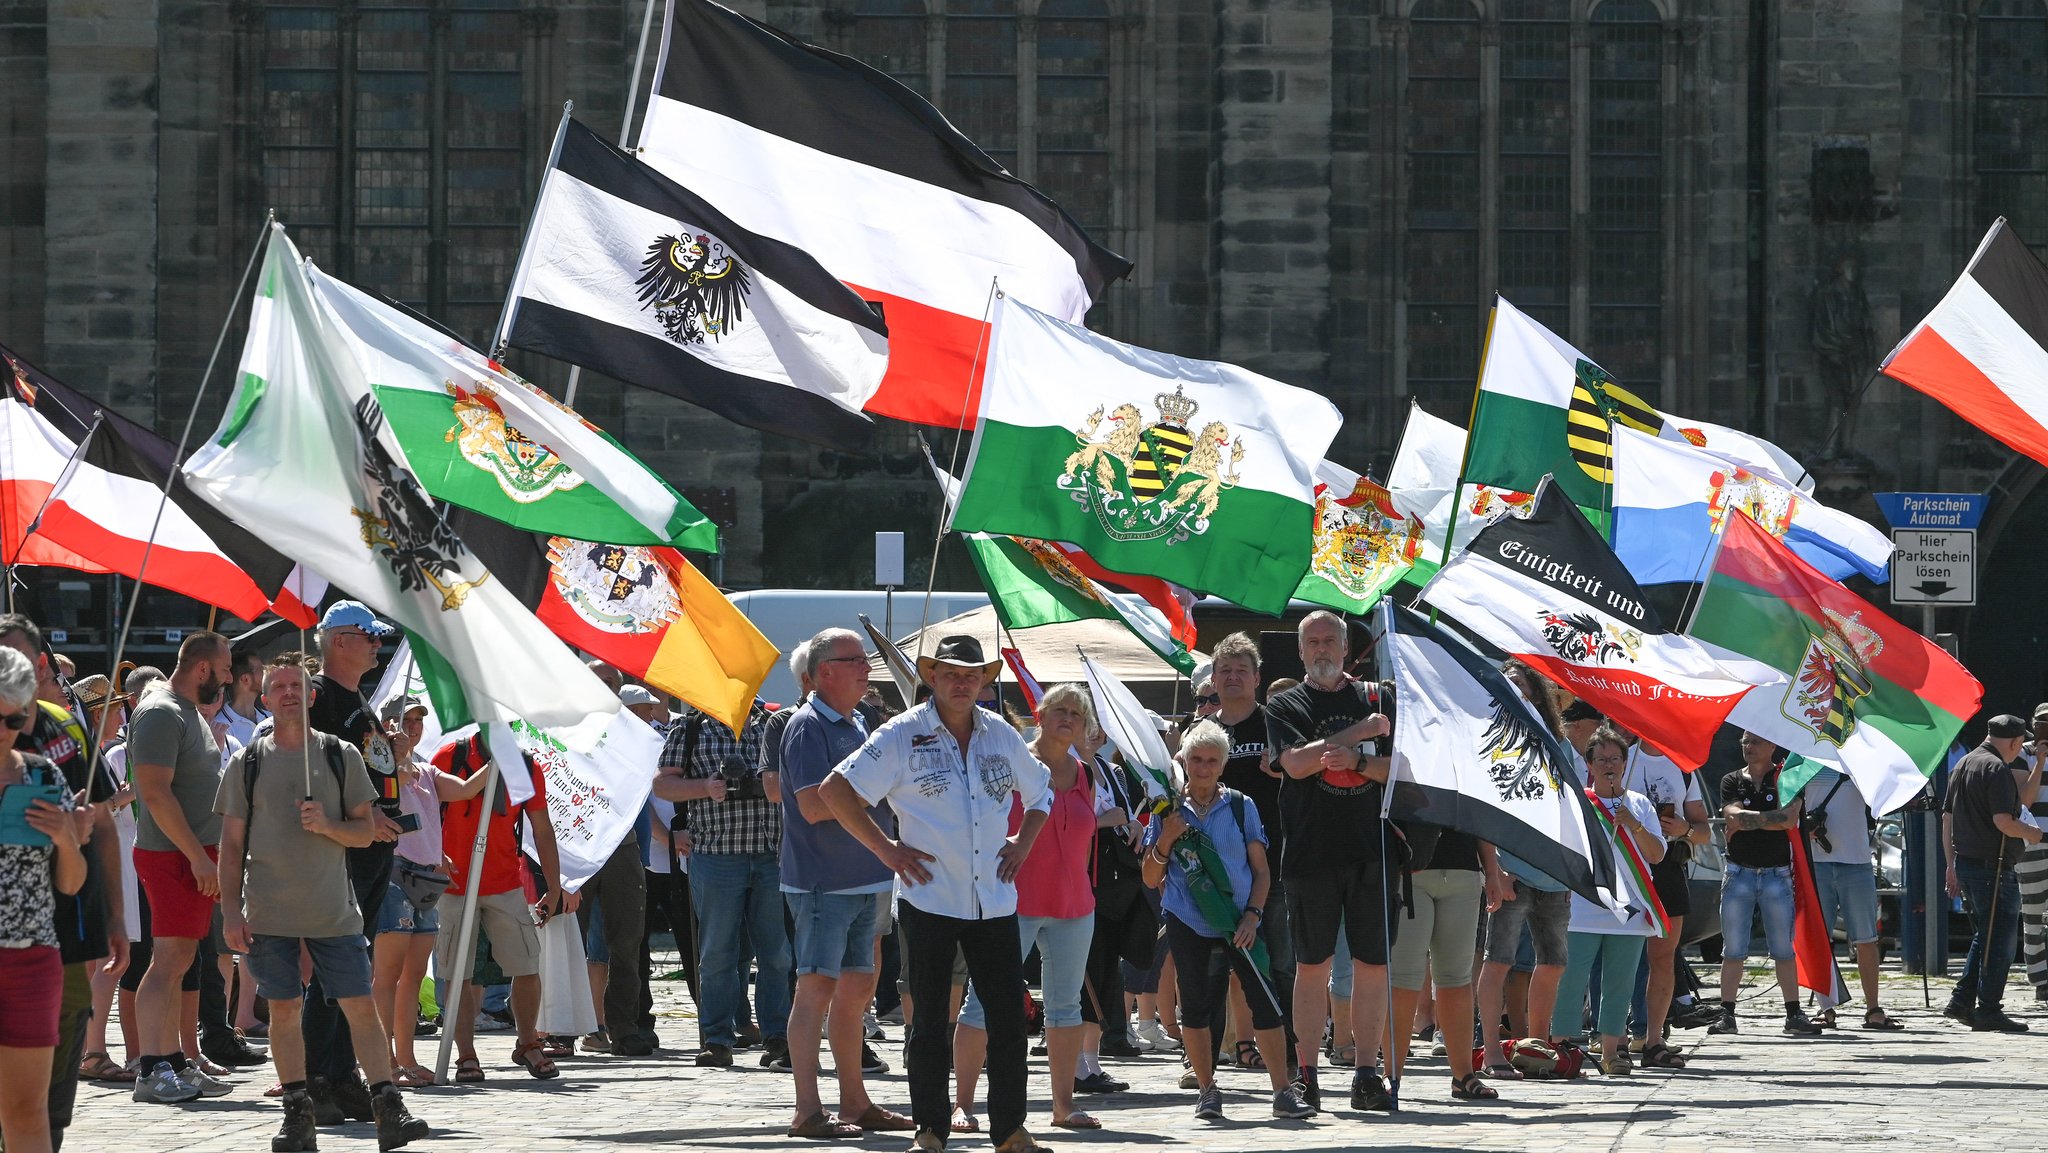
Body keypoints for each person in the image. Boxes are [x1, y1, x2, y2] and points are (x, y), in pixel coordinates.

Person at [819, 635, 1053, 1153]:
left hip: (993, 899)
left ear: (986, 680)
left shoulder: (1002, 734)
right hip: (928, 900)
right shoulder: (901, 733)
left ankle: (1011, 1130)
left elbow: (1041, 793)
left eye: (972, 674)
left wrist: (1024, 841)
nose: (962, 682)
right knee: (926, 1022)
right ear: (932, 676)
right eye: (950, 672)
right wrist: (886, 850)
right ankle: (930, 1130)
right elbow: (836, 791)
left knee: (1010, 1021)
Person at [216, 657, 429, 1152]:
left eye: (297, 686)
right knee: (284, 1010)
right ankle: (297, 1114)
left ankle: (388, 1107)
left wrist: (328, 825)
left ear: (311, 696)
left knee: (359, 1005)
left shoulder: (339, 755)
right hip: (268, 912)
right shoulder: (246, 763)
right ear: (264, 698)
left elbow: (367, 830)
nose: (288, 693)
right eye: (278, 688)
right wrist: (230, 911)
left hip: (334, 908)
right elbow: (229, 845)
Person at [954, 683, 1122, 1133]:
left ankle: (1063, 1106)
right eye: (1059, 710)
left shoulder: (1087, 772)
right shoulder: (1013, 763)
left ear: (1085, 726)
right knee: (981, 1005)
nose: (1067, 718)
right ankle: (963, 1106)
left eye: (1076, 713)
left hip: (1074, 905)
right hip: (1012, 900)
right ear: (1040, 714)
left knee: (1066, 1008)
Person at [0, 616, 142, 1147]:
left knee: (45, 1095)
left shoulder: (63, 732)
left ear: (39, 665)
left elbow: (101, 825)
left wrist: (114, 916)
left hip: (61, 936)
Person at [776, 628, 913, 1139]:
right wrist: (869, 796)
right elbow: (813, 805)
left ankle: (854, 1102)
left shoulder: (860, 723)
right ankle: (807, 1109)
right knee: (815, 991)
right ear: (825, 670)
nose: (867, 667)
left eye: (866, 659)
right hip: (821, 883)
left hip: (869, 879)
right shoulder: (807, 726)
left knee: (857, 994)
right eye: (855, 659)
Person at [1142, 719, 1316, 1123]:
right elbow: (1151, 877)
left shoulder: (1241, 805)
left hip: (1239, 920)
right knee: (1198, 1009)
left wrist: (1253, 916)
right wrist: (1167, 837)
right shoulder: (1166, 810)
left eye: (1212, 761)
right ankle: (1207, 1090)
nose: (1203, 767)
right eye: (1196, 759)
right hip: (1188, 921)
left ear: (1222, 765)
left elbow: (1261, 871)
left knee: (1265, 1004)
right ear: (1183, 761)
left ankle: (1282, 1092)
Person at [1263, 611, 1395, 1113]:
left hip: (1371, 848)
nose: (1321, 650)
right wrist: (1358, 733)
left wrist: (1358, 760)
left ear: (1345, 647)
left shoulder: (1378, 698)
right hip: (1311, 852)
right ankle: (1308, 1076)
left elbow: (1399, 768)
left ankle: (1365, 1072)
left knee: (1371, 966)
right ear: (1300, 652)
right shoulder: (1285, 704)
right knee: (1311, 966)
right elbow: (1295, 764)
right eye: (1312, 642)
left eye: (1330, 641)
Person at [302, 603, 409, 1125]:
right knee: (333, 968)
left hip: (371, 851)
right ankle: (316, 1078)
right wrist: (360, 822)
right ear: (339, 640)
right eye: (368, 637)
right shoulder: (318, 699)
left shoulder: (356, 699)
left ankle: (343, 1074)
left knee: (354, 967)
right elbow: (312, 777)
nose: (376, 645)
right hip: (342, 852)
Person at [127, 631, 235, 1106]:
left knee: (181, 961)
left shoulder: (183, 710)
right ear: (204, 669)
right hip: (172, 856)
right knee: (167, 960)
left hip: (189, 854)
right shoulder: (160, 712)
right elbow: (153, 792)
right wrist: (195, 855)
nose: (230, 678)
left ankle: (170, 1059)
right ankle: (151, 1070)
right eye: (227, 669)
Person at [432, 731, 574, 1079]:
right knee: (457, 972)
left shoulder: (524, 764)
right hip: (455, 886)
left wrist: (554, 887)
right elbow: (425, 812)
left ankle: (528, 1043)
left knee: (526, 964)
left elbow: (542, 827)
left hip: (504, 882)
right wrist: (434, 858)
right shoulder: (450, 756)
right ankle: (466, 1053)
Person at [0, 644, 88, 1153]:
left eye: (13, 720)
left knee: (27, 1108)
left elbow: (70, 884)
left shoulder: (41, 775)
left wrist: (65, 838)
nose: (2, 731)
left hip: (33, 957)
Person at [374, 695, 485, 1086]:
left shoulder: (426, 769)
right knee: (386, 975)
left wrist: (499, 755)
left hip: (425, 880)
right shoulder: (378, 763)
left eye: (420, 719)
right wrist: (395, 755)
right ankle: (382, 1060)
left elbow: (468, 789)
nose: (415, 726)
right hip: (393, 874)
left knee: (413, 975)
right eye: (407, 720)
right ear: (387, 725)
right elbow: (394, 778)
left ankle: (404, 1058)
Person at [1475, 668, 1577, 1081]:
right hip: (1511, 871)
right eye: (1508, 681)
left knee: (1553, 963)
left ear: (1538, 694)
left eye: (1522, 682)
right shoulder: (1491, 740)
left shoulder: (1562, 746)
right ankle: (1494, 1050)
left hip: (1554, 873)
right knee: (1496, 962)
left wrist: (1573, 870)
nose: (1515, 688)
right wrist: (1493, 869)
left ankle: (1538, 1047)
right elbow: (1482, 809)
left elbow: (1572, 813)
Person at [1552, 725, 1665, 1077]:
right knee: (1571, 981)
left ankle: (1612, 1052)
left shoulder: (1640, 805)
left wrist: (1635, 825)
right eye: (1600, 759)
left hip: (1628, 911)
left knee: (1619, 984)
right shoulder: (1577, 801)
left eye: (1615, 758)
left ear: (1625, 761)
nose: (1608, 765)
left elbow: (1657, 855)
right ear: (1589, 764)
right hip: (1584, 909)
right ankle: (1565, 1050)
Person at [1713, 731, 1823, 1037]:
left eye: (1756, 741)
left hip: (1777, 873)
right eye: (1745, 741)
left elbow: (1789, 820)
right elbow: (1731, 815)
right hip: (1739, 872)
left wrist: (1750, 820)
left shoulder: (1788, 777)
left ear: (1773, 744)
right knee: (1733, 948)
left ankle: (1793, 1013)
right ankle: (1727, 1013)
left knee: (1783, 949)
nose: (1748, 747)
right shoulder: (1731, 780)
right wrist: (1769, 818)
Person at [1943, 714, 2046, 1032]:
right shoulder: (1997, 768)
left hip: (1968, 864)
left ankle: (1961, 1001)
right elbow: (2003, 821)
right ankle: (1989, 1009)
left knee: (1983, 938)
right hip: (1994, 868)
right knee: (1999, 942)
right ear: (2016, 742)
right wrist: (2033, 833)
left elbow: (1947, 817)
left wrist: (1950, 864)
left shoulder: (1964, 764)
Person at [572, 685, 656, 1060]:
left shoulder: (641, 746)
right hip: (579, 847)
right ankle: (558, 1029)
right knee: (566, 941)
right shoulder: (575, 736)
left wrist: (642, 852)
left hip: (623, 849)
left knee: (627, 944)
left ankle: (624, 1028)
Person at [1619, 731, 1709, 1067]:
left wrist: (1683, 830)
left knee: (1662, 957)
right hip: (1625, 865)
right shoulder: (1619, 757)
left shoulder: (1682, 765)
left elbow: (1703, 832)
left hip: (1669, 867)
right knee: (1620, 954)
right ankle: (1614, 1037)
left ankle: (1654, 1039)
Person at [1800, 762, 1901, 1030]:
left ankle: (1873, 1008)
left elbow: (1885, 797)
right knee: (1820, 939)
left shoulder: (1863, 759)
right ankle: (1826, 1009)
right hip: (1817, 861)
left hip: (1856, 861)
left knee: (1866, 938)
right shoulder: (1804, 757)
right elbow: (1790, 802)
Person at [2021, 704, 2048, 1002]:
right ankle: (2040, 979)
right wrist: (2039, 761)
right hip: (2031, 845)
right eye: (2043, 722)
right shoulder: (2022, 753)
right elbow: (2023, 802)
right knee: (2033, 915)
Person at [217, 649, 268, 750]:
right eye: (262, 670)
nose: (267, 675)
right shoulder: (221, 726)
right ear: (245, 679)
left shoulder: (270, 717)